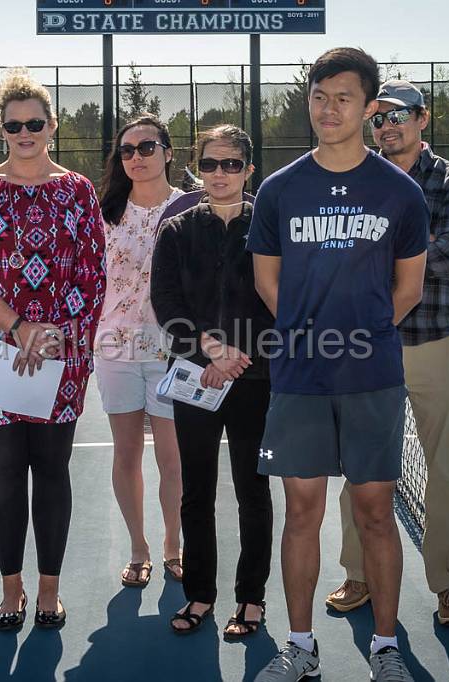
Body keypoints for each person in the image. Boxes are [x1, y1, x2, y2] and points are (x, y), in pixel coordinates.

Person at [250, 48, 429, 682]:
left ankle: (385, 646)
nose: (330, 109)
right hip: (300, 376)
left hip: (372, 377)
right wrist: (311, 334)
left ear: (369, 106)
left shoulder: (400, 193)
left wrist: (359, 335)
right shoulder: (279, 190)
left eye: (344, 98)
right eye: (320, 97)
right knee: (302, 511)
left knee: (376, 511)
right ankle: (299, 645)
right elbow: (268, 282)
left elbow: (407, 288)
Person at [0, 68, 106, 630]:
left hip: (60, 359)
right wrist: (19, 330)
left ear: (51, 125)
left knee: (54, 471)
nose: (25, 132)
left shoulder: (78, 191)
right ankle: (11, 589)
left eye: (34, 123)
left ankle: (49, 590)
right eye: (14, 124)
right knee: (7, 472)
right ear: (2, 129)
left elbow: (92, 278)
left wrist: (54, 335)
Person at [326, 79, 449, 627]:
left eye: (398, 116)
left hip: (432, 340)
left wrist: (377, 259)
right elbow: (340, 251)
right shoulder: (361, 180)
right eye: (379, 119)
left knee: (444, 468)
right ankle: (358, 573)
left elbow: (447, 255)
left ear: (422, 118)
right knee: (359, 467)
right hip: (367, 347)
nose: (387, 127)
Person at [151, 125, 275, 637]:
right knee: (196, 491)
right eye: (209, 164)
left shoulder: (269, 227)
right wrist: (211, 349)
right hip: (196, 376)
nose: (219, 174)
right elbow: (166, 303)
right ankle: (200, 594)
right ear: (197, 170)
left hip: (255, 379)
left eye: (231, 164)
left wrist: (241, 356)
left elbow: (278, 299)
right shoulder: (178, 230)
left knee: (253, 491)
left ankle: (251, 599)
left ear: (248, 170)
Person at [96, 114, 184, 588]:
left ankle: (173, 544)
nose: (136, 158)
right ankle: (139, 547)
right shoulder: (104, 212)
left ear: (168, 153)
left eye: (146, 148)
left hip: (172, 352)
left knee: (172, 457)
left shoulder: (190, 207)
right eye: (127, 151)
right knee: (126, 452)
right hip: (114, 350)